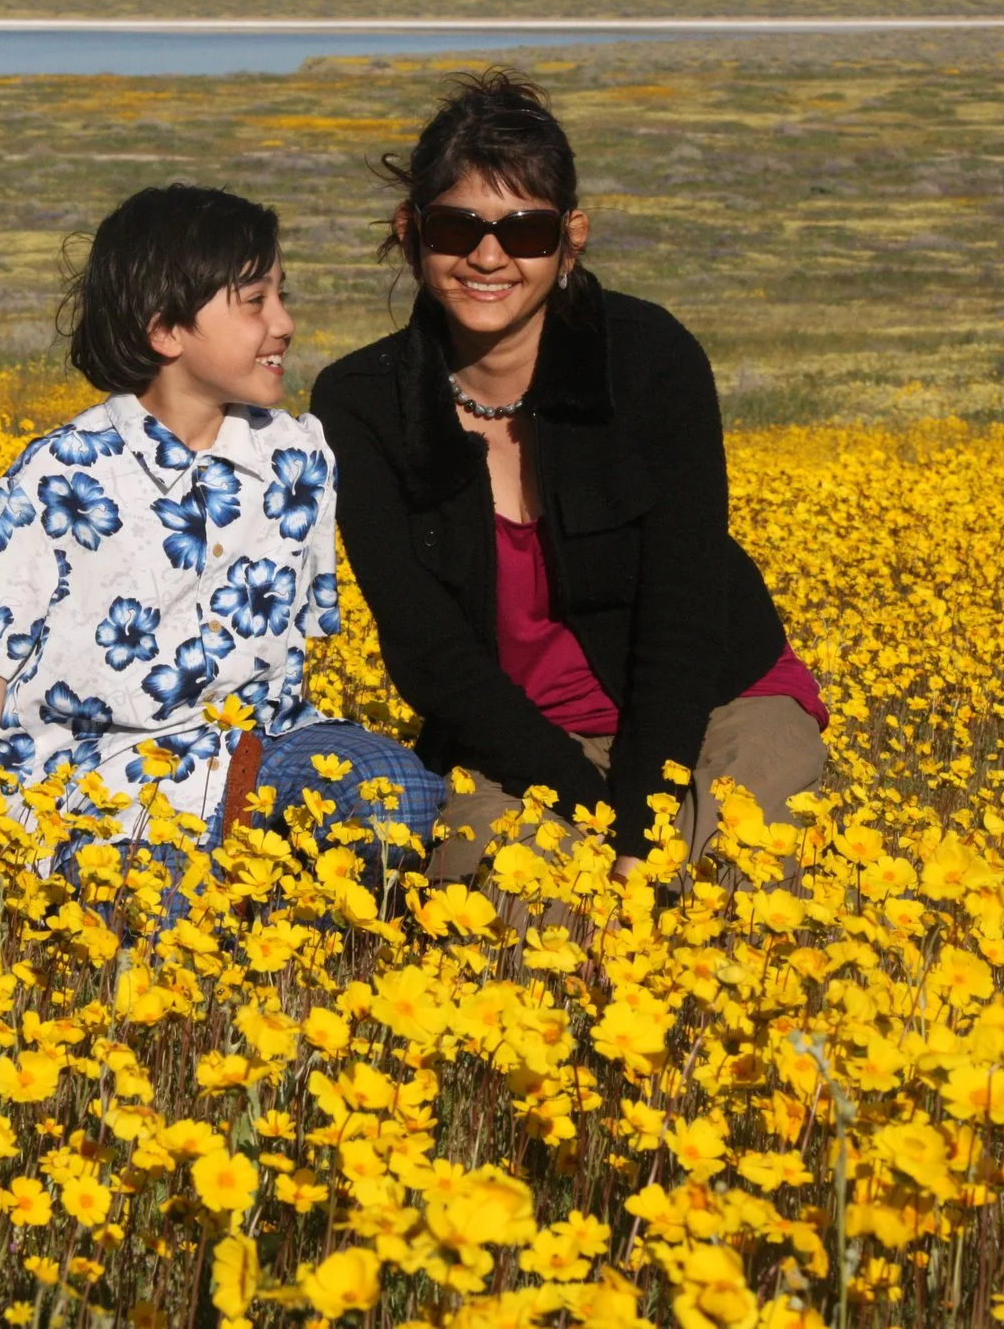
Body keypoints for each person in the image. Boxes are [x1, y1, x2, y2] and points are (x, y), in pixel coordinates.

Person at [309, 71, 827, 883]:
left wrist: (640, 824)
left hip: (715, 703)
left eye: (525, 231)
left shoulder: (651, 360)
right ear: (411, 232)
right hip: (519, 742)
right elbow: (430, 652)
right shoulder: (361, 403)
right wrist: (591, 808)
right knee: (521, 914)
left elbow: (684, 607)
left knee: (738, 886)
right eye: (457, 227)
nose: (488, 256)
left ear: (570, 238)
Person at [0, 184, 445, 889]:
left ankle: (302, 925)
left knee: (398, 794)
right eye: (256, 301)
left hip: (262, 752)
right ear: (166, 331)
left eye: (283, 294)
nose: (285, 322)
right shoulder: (60, 476)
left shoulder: (298, 459)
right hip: (102, 787)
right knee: (165, 902)